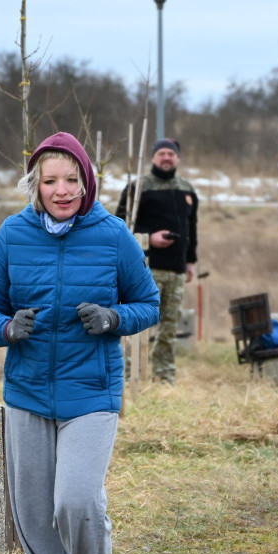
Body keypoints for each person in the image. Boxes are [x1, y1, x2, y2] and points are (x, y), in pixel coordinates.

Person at [0, 132, 160, 554]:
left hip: (91, 392)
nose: (62, 190)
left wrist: (114, 318)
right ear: (35, 185)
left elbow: (149, 302)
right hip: (27, 394)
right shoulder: (13, 235)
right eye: (51, 181)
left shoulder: (112, 234)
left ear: (87, 182)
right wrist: (7, 328)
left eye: (72, 180)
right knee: (34, 520)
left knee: (75, 501)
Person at [116, 138, 198, 385]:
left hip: (177, 270)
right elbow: (120, 226)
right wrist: (149, 238)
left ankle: (164, 375)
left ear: (177, 158)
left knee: (169, 326)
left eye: (171, 154)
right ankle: (129, 375)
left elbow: (192, 229)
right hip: (146, 268)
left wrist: (190, 261)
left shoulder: (187, 190)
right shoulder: (138, 188)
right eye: (161, 153)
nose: (166, 158)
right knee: (139, 323)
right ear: (153, 157)